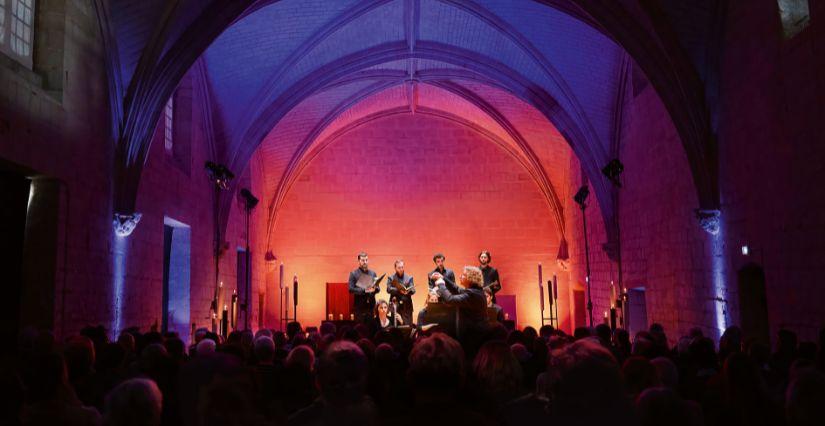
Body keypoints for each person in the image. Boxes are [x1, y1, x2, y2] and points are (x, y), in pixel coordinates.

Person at [434, 266, 487, 334]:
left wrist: (441, 284)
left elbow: (450, 299)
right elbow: (457, 289)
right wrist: (443, 278)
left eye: (463, 275)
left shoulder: (472, 294)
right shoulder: (475, 291)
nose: (460, 276)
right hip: (473, 332)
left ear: (471, 278)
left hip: (473, 335)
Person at [348, 252, 379, 324]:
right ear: (359, 261)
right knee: (360, 329)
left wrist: (375, 289)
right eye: (363, 260)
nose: (365, 262)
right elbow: (350, 289)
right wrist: (364, 290)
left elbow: (378, 288)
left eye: (366, 260)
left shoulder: (373, 273)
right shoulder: (353, 274)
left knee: (371, 329)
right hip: (359, 307)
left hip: (371, 307)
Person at [385, 259, 415, 325]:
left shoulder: (409, 278)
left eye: (402, 267)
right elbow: (388, 289)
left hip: (407, 307)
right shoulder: (391, 278)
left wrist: (408, 291)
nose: (401, 269)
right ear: (395, 268)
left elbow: (413, 290)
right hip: (395, 306)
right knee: (395, 327)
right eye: (399, 267)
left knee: (408, 326)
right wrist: (399, 290)